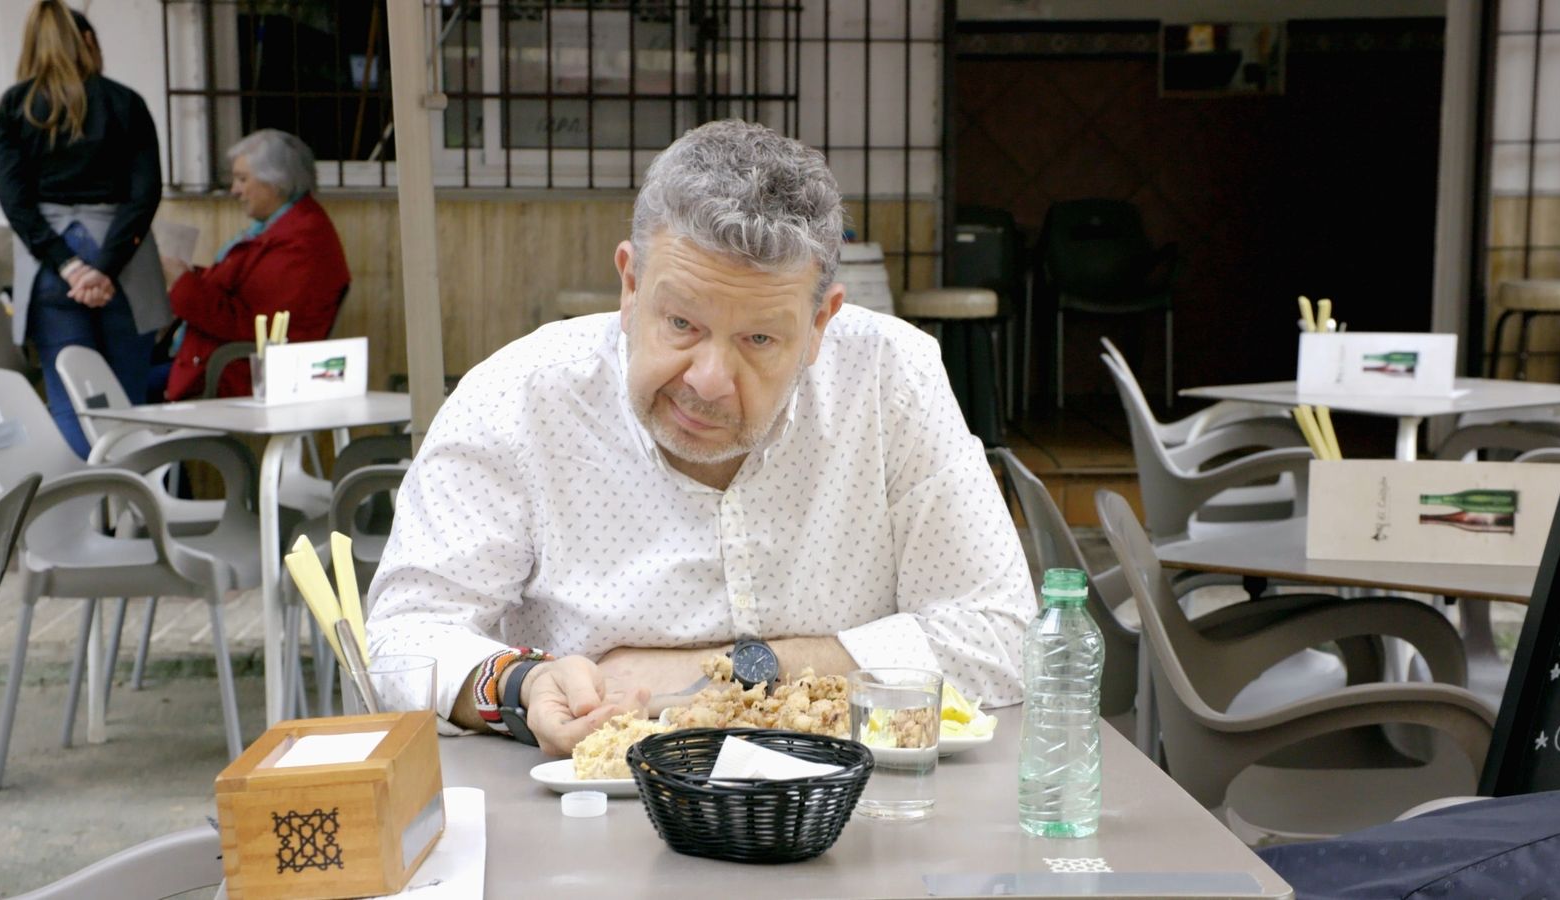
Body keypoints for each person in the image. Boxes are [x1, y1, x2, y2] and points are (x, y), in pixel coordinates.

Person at [365, 119, 1034, 755]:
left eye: (760, 339)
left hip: (854, 821)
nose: (710, 380)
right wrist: (524, 684)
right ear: (630, 284)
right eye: (681, 323)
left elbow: (1001, 637)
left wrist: (729, 674)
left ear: (822, 323)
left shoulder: (892, 379)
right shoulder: (518, 398)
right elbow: (404, 638)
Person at [0, 0, 166, 457]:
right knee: (127, 405)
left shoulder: (14, 108)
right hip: (125, 266)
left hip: (49, 267)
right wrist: (103, 269)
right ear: (87, 42)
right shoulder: (126, 102)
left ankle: (81, 516)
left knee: (69, 403)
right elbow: (144, 195)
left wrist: (68, 265)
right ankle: (133, 516)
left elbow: (16, 204)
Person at [159, 128, 349, 401]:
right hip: (215, 361)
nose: (235, 190)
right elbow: (241, 291)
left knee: (127, 389)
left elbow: (251, 325)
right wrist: (187, 275)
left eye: (242, 179)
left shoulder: (300, 242)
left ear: (276, 181)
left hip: (234, 373)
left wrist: (182, 284)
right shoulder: (283, 227)